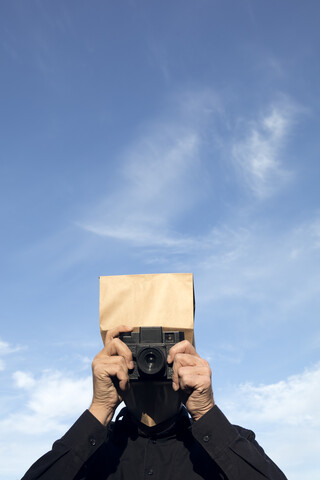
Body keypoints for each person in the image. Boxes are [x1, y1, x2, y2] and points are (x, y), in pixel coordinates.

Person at [22, 325, 287, 480]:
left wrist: (206, 413)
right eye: (138, 353)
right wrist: (100, 410)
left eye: (162, 350)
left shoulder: (230, 443)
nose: (152, 361)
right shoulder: (89, 452)